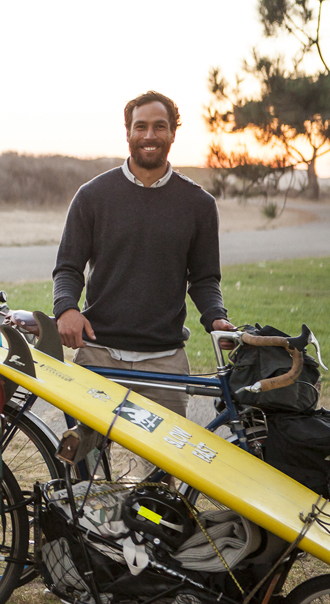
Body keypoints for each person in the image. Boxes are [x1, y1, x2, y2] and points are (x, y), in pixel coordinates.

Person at [52, 90, 234, 479]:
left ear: (172, 134)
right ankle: (92, 540)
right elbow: (68, 267)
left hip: (164, 361)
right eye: (141, 126)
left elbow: (204, 278)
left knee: (163, 481)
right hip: (98, 356)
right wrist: (66, 308)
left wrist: (216, 317)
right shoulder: (93, 196)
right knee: (86, 474)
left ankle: (145, 540)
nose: (149, 135)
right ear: (128, 132)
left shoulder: (198, 204)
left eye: (159, 126)